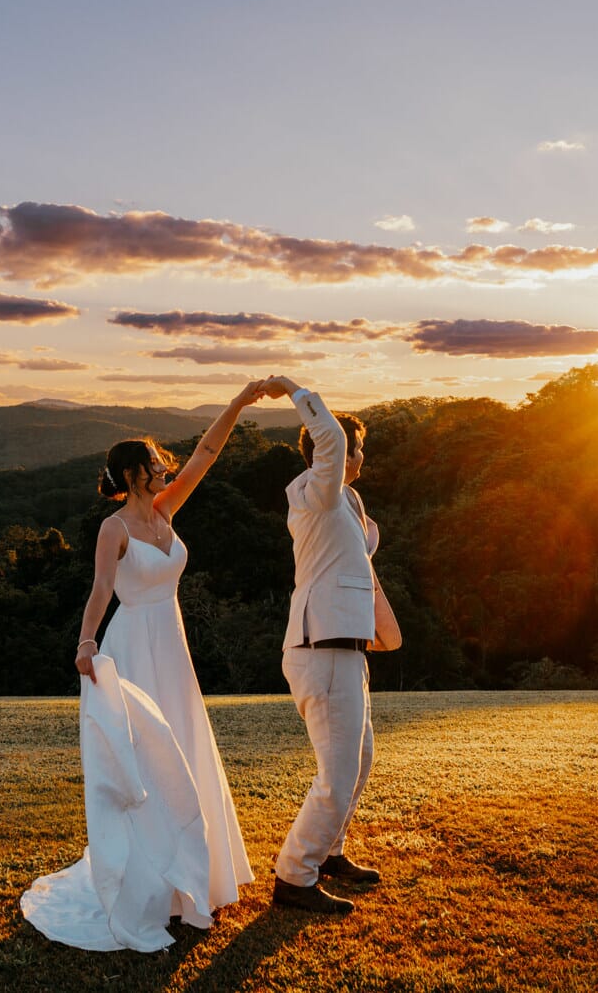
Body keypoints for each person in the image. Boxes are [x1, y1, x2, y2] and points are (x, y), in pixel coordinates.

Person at [20, 380, 264, 952]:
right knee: (149, 759)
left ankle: (192, 881)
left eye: (160, 463)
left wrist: (239, 403)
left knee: (183, 744)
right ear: (131, 474)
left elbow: (205, 454)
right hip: (132, 645)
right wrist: (85, 643)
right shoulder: (115, 528)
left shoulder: (165, 509)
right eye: (154, 464)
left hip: (172, 646)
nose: (163, 468)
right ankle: (154, 884)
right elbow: (102, 589)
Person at [262, 375, 399, 915]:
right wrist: (291, 388)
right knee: (337, 773)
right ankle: (294, 876)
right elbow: (334, 444)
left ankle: (329, 852)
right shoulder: (313, 492)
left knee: (360, 760)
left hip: (350, 649)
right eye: (355, 446)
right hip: (320, 648)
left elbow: (363, 547)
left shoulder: (346, 498)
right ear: (332, 451)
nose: (360, 454)